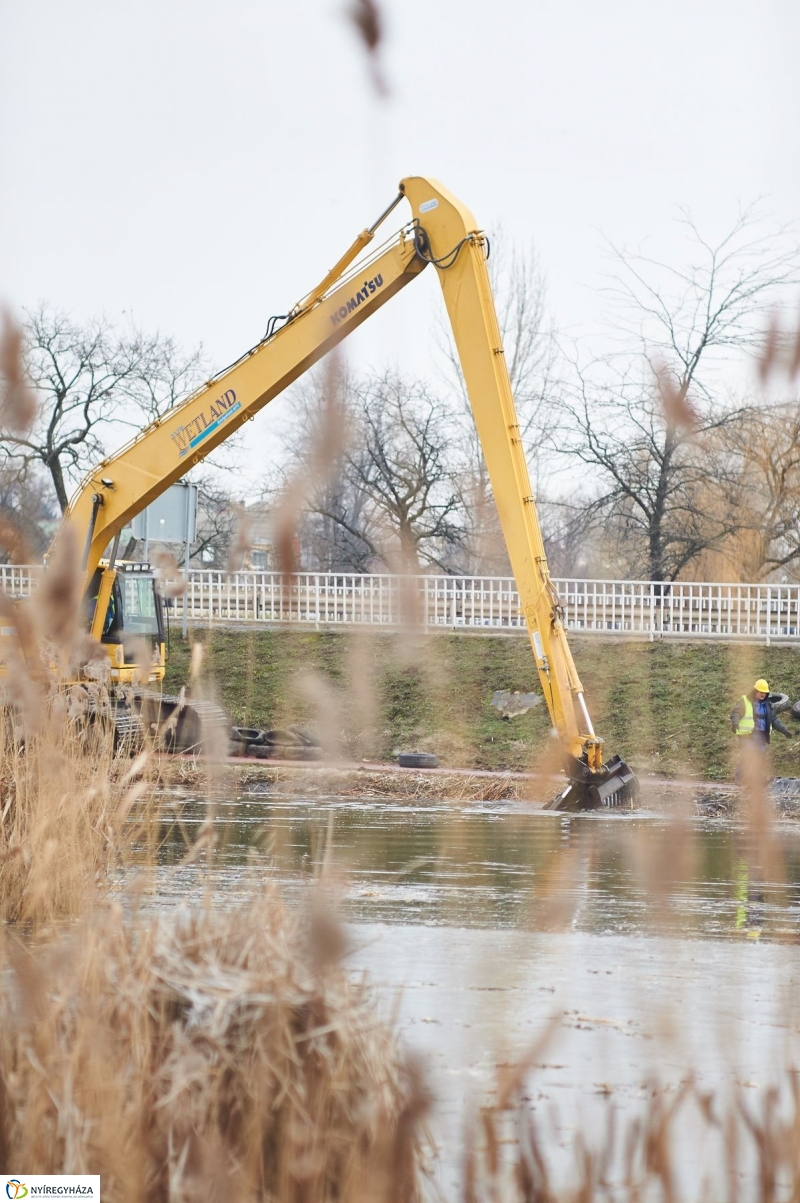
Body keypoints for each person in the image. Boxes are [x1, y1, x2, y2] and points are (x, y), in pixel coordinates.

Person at [731, 679, 791, 778]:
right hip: (747, 735)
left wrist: (785, 731)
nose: (763, 694)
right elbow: (736, 713)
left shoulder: (768, 704)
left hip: (762, 735)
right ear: (755, 691)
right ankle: (740, 777)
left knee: (760, 757)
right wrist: (735, 723)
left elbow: (774, 720)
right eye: (761, 692)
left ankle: (758, 779)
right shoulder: (745, 701)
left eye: (765, 692)